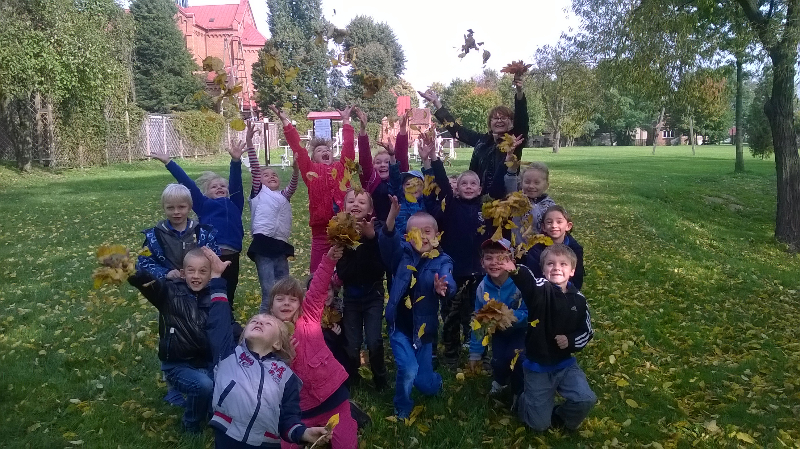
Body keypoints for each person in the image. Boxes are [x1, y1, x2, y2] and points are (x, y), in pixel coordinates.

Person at [203, 247, 330, 449]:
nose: (259, 321)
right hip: (227, 436)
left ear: (278, 343)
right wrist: (217, 278)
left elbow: (288, 419)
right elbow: (219, 322)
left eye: (268, 323)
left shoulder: (286, 376)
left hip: (266, 443)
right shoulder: (228, 355)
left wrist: (304, 433)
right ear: (244, 333)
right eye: (254, 321)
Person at [268, 246, 359, 449]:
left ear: (300, 304)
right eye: (280, 299)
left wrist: (328, 260)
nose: (286, 303)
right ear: (271, 307)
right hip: (300, 412)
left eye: (293, 299)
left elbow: (317, 288)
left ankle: (350, 417)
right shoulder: (267, 334)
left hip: (334, 401)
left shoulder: (308, 317)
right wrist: (282, 360)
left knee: (346, 445)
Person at [500, 244, 596, 432]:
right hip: (538, 367)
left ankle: (560, 416)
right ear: (543, 270)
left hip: (565, 365)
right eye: (550, 264)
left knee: (586, 399)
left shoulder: (579, 300)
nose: (556, 268)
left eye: (563, 264)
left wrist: (570, 340)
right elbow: (529, 284)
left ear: (572, 271)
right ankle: (521, 399)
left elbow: (586, 331)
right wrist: (516, 271)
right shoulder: (541, 289)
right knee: (538, 426)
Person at [128, 248, 225, 434]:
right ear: (182, 273)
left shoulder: (215, 296)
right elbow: (148, 284)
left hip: (206, 363)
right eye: (191, 270)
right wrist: (132, 271)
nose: (196, 276)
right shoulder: (169, 292)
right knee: (203, 385)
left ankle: (209, 414)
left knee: (222, 386)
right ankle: (191, 425)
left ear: (210, 275)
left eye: (203, 271)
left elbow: (228, 326)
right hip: (177, 365)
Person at [379, 197, 455, 419]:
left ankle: (435, 384)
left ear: (437, 235)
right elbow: (387, 244)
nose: (422, 236)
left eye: (427, 231)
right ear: (406, 237)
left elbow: (448, 278)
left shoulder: (442, 260)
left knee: (424, 382)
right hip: (399, 326)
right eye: (415, 232)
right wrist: (391, 218)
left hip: (424, 329)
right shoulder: (400, 255)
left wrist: (444, 287)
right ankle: (402, 407)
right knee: (408, 369)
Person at [149, 141, 245, 309]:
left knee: (229, 290)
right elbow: (188, 184)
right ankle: (202, 314)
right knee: (208, 290)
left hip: (232, 256)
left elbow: (236, 183)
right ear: (206, 193)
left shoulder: (235, 204)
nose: (219, 188)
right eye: (214, 186)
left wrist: (235, 161)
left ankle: (226, 315)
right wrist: (169, 163)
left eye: (223, 186)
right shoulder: (203, 204)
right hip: (209, 254)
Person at [425, 138, 488, 367]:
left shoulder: (485, 209)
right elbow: (442, 181)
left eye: (473, 184)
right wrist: (434, 158)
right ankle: (451, 353)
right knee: (451, 313)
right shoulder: (450, 205)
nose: (469, 187)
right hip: (452, 271)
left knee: (476, 314)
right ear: (457, 189)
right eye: (464, 184)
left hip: (478, 272)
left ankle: (478, 352)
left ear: (480, 189)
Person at [269, 104, 355, 273]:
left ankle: (340, 289)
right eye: (319, 150)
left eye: (327, 150)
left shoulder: (341, 167)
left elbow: (349, 148)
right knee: (317, 271)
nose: (325, 151)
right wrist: (286, 122)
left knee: (346, 270)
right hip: (321, 230)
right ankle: (318, 290)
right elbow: (298, 149)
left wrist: (346, 121)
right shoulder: (311, 170)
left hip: (344, 228)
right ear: (313, 158)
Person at [418, 74, 528, 195]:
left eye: (503, 118)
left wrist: (519, 92)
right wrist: (437, 103)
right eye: (495, 118)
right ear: (490, 122)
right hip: (478, 196)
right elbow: (456, 130)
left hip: (505, 197)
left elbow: (522, 118)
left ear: (511, 122)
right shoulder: (482, 141)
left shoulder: (515, 140)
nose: (499, 121)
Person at [242, 120, 300, 310]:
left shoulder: (283, 196)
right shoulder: (259, 192)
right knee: (269, 291)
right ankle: (264, 320)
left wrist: (296, 169)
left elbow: (293, 186)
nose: (271, 176)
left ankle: (283, 321)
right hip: (263, 244)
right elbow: (255, 168)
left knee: (284, 290)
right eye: (266, 175)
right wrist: (249, 143)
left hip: (280, 245)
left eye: (274, 174)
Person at [335, 189, 388, 390]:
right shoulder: (340, 232)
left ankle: (381, 379)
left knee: (374, 341)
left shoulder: (378, 229)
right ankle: (353, 378)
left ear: (370, 209)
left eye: (361, 202)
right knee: (352, 343)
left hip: (373, 295)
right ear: (344, 207)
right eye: (351, 201)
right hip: (351, 297)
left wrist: (370, 238)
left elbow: (379, 267)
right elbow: (343, 271)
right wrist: (351, 244)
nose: (356, 204)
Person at [468, 239, 527, 396]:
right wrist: (475, 353)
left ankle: (520, 392)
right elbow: (479, 321)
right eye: (489, 258)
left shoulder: (521, 283)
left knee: (516, 357)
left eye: (501, 258)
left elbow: (531, 313)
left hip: (522, 331)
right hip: (499, 332)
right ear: (482, 262)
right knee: (498, 362)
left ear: (511, 261)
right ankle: (500, 382)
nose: (494, 262)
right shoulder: (482, 288)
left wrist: (508, 316)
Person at [136, 183, 220, 280]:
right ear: (164, 208)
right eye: (170, 208)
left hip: (199, 283)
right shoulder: (153, 236)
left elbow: (215, 259)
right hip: (167, 285)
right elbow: (144, 262)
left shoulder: (203, 233)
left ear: (189, 207)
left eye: (181, 207)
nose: (176, 212)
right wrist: (165, 273)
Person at [355, 108, 409, 222]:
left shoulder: (399, 177)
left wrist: (403, 130)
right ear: (373, 166)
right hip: (374, 224)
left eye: (387, 162)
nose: (383, 165)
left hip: (398, 223)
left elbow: (402, 156)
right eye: (378, 162)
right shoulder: (370, 179)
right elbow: (364, 157)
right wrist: (363, 130)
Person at [523, 205, 585, 290]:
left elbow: (577, 278)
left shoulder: (575, 249)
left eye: (559, 222)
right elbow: (533, 278)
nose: (554, 225)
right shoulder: (536, 250)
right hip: (542, 291)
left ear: (568, 226)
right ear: (543, 227)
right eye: (549, 222)